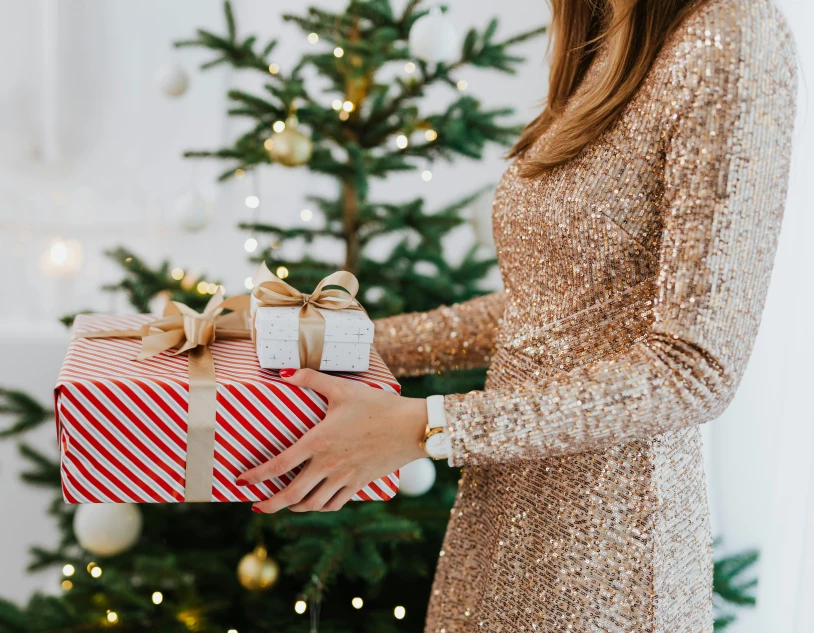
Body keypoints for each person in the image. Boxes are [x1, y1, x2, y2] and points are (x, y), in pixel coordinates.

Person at [238, 0, 798, 629]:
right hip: (497, 513)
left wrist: (429, 428)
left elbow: (694, 368)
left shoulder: (733, 32)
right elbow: (556, 303)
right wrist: (337, 340)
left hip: (607, 554)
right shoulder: (604, 30)